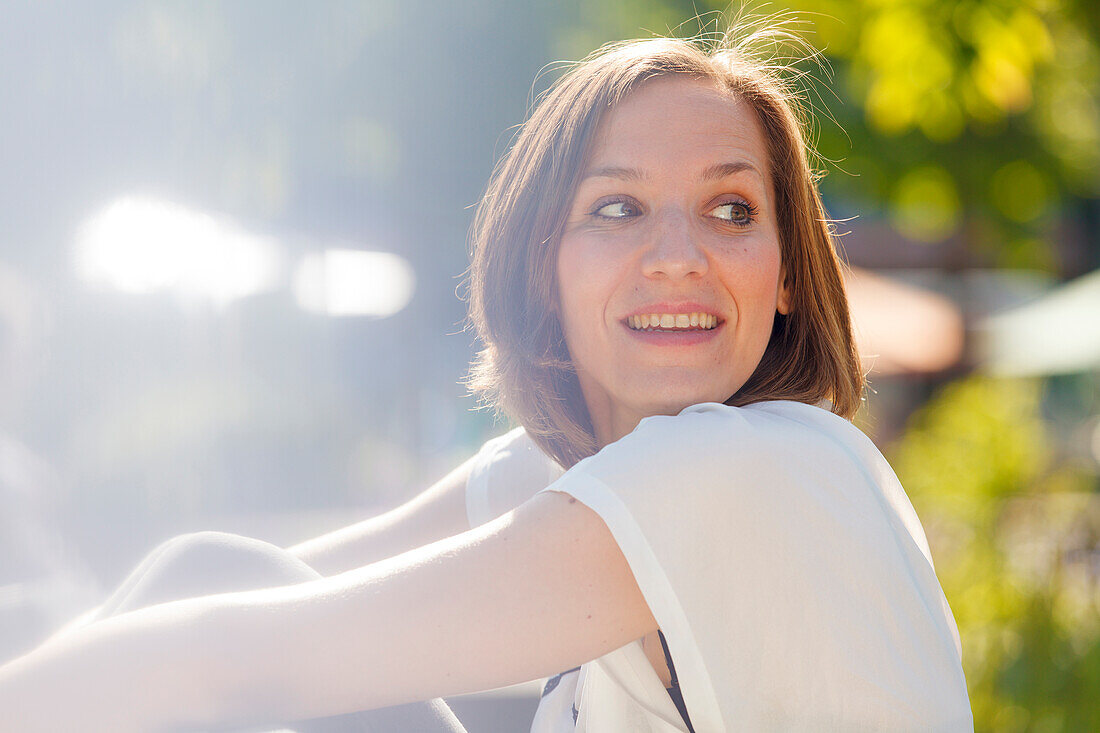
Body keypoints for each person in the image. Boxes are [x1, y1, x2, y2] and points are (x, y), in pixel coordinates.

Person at [0, 20, 975, 733]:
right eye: (616, 209)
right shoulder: (587, 472)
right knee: (211, 573)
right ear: (540, 265)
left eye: (727, 210)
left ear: (790, 275)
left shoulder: (753, 468)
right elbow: (241, 600)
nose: (677, 254)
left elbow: (236, 665)